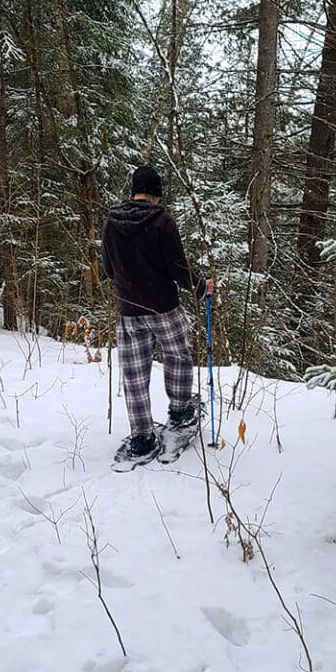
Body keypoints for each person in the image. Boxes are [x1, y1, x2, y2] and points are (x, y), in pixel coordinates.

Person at [102, 163, 213, 468]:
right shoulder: (162, 221)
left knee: (134, 375)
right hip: (164, 308)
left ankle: (142, 436)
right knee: (177, 357)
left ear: (134, 190)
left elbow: (108, 270)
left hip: (129, 312)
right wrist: (202, 286)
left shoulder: (112, 223)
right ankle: (179, 412)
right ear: (157, 194)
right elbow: (178, 269)